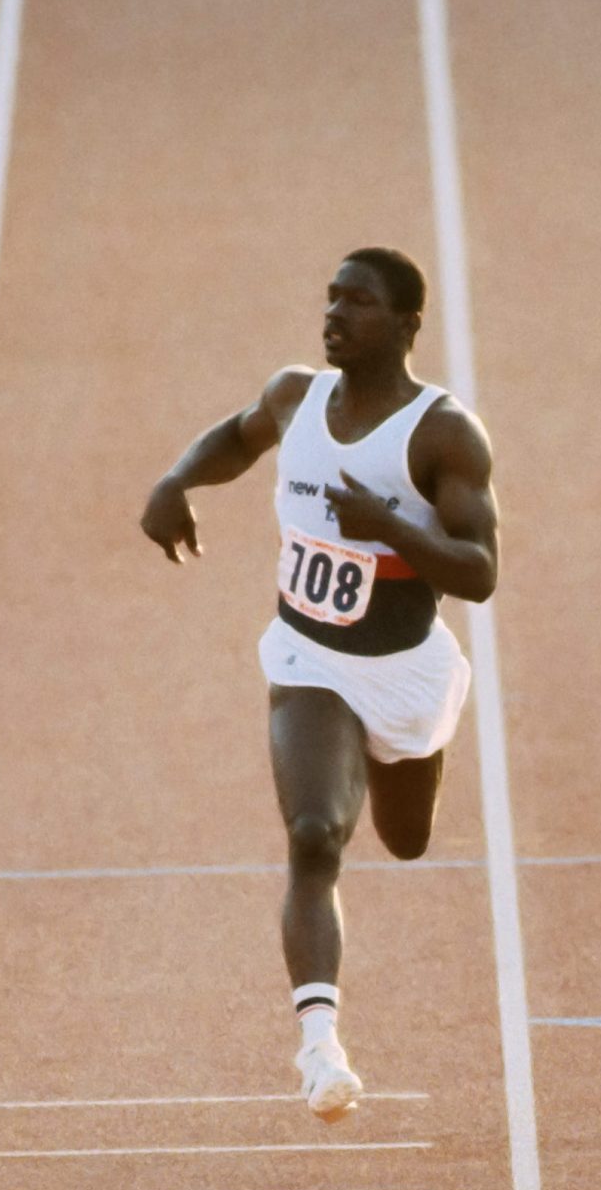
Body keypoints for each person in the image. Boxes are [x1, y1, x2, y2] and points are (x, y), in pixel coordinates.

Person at [141, 248, 499, 1122]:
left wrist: (384, 527)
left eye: (360, 302)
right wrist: (178, 479)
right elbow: (234, 438)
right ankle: (319, 1048)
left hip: (406, 671)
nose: (335, 314)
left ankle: (385, 761)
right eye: (332, 298)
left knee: (406, 840)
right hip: (309, 659)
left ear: (408, 325)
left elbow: (480, 571)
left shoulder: (442, 434)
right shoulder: (295, 395)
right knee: (313, 834)